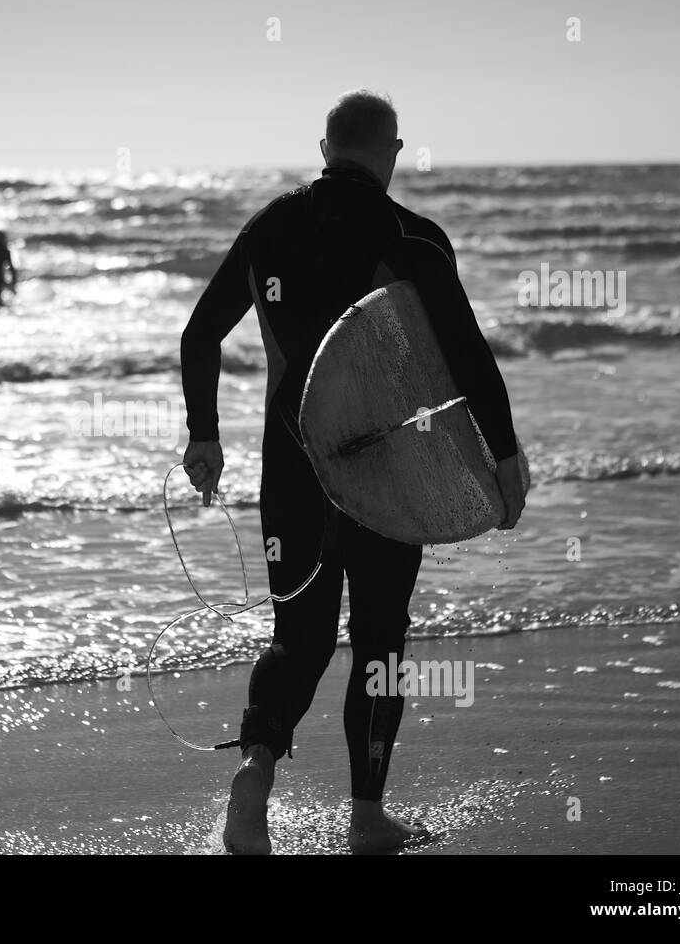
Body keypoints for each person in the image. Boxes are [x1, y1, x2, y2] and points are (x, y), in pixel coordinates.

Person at [179, 90, 527, 854]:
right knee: (378, 638)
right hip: (388, 469)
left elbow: (199, 334)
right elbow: (465, 353)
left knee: (296, 639)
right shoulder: (411, 235)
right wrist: (503, 456)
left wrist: (204, 437)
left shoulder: (270, 226)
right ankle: (366, 817)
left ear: (324, 148)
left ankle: (256, 774)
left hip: (291, 466)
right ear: (393, 153)